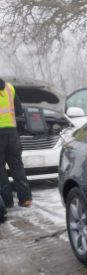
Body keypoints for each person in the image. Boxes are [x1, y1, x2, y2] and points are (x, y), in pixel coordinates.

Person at [0, 77, 32, 208]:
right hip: (12, 134)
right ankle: (25, 199)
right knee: (17, 166)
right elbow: (19, 111)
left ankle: (7, 202)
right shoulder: (9, 88)